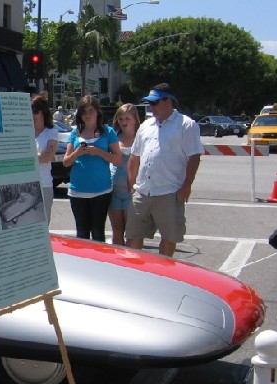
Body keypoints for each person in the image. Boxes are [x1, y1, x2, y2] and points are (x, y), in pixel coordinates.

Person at [126, 83, 203, 257]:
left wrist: (187, 185)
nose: (151, 107)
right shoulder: (146, 125)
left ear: (168, 101)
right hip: (142, 191)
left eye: (154, 103)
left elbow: (194, 156)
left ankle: (163, 273)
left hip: (170, 191)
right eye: (149, 103)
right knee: (132, 236)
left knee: (169, 237)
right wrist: (131, 184)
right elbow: (134, 156)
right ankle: (134, 273)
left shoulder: (186, 125)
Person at [62, 95, 122, 241]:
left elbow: (118, 159)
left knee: (97, 233)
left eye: (91, 110)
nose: (87, 115)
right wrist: (77, 153)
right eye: (84, 111)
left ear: (97, 112)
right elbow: (66, 162)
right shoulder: (75, 133)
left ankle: (99, 263)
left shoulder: (108, 132)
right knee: (81, 234)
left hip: (101, 190)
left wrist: (99, 152)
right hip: (78, 190)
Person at [108, 104, 140, 246]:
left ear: (135, 120)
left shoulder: (141, 137)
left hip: (132, 191)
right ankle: (119, 263)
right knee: (117, 231)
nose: (123, 121)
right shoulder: (113, 137)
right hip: (114, 189)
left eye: (127, 118)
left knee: (132, 233)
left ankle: (131, 264)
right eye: (120, 119)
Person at [31, 95, 58, 223]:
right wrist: (38, 156)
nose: (32, 114)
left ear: (43, 112)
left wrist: (26, 158)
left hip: (44, 185)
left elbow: (47, 157)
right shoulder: (25, 131)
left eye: (35, 110)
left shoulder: (51, 132)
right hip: (25, 187)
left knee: (43, 229)